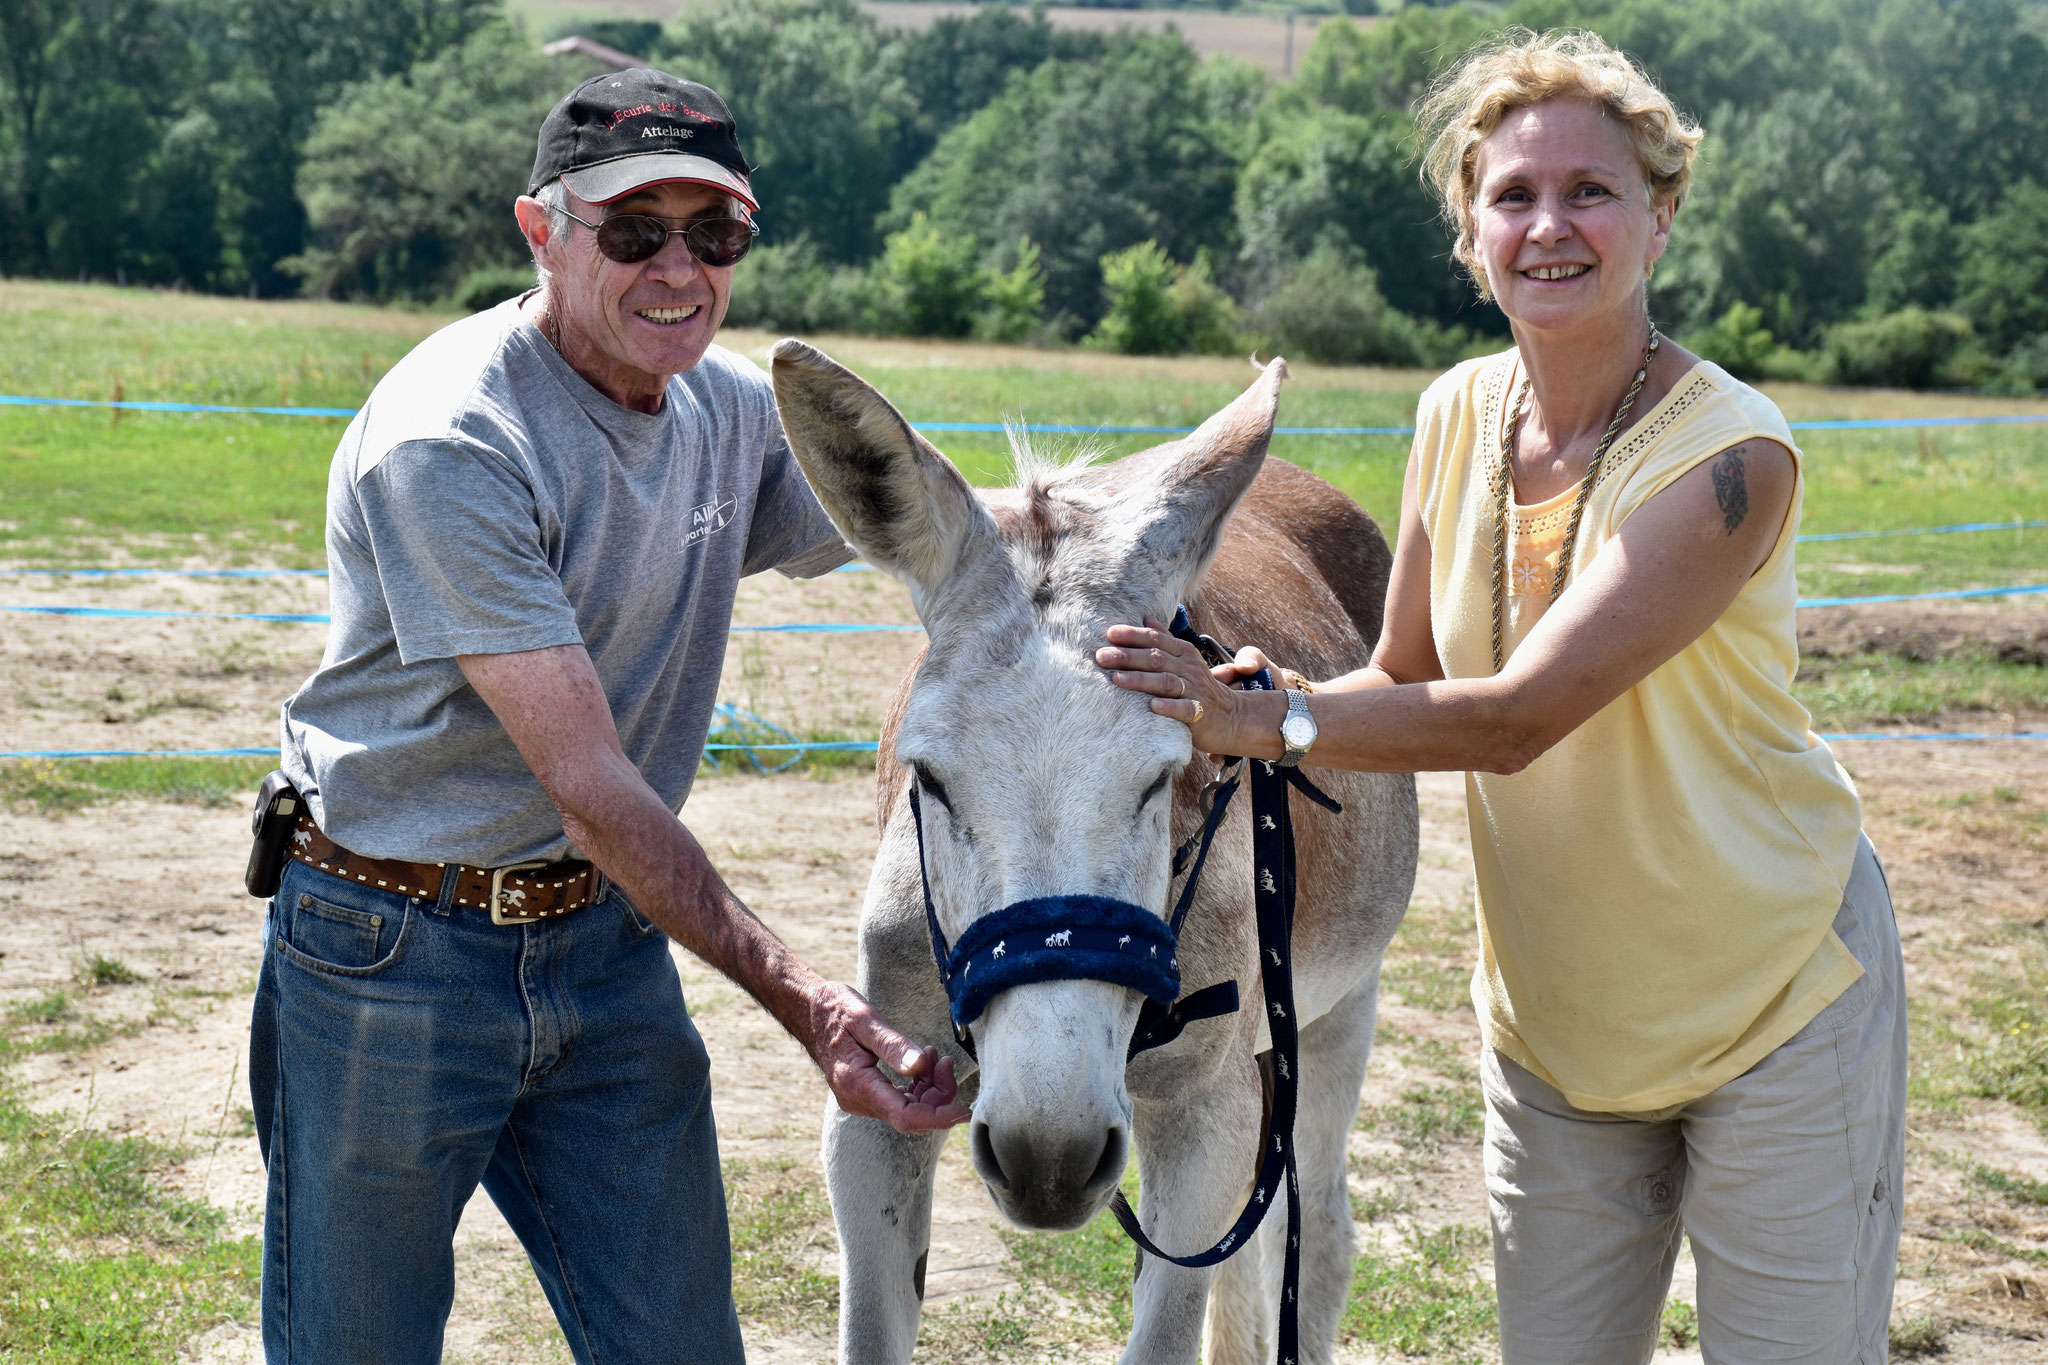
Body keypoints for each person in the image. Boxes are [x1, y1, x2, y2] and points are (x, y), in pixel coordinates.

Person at [1096, 29, 1903, 1365]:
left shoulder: (1731, 455)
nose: (1549, 226)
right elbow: (1406, 672)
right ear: (1470, 231)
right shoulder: (1461, 412)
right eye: (1512, 196)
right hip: (1560, 1026)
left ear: (1661, 212)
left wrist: (1277, 720)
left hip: (1775, 1003)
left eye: (1591, 190)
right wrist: (1252, 702)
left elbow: (1517, 717)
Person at [250, 67, 968, 1365]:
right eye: (635, 232)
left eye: (717, 234)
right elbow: (590, 782)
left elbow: (947, 534)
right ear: (543, 231)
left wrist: (1170, 599)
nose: (680, 270)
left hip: (599, 942)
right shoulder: (455, 436)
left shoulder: (728, 409)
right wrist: (813, 1004)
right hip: (393, 948)